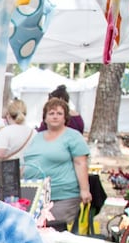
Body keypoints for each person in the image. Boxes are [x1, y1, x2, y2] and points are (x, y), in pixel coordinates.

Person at [23, 97, 92, 227]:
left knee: (48, 226)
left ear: (65, 117)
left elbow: (81, 163)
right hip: (34, 196)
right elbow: (26, 162)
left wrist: (84, 190)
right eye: (51, 113)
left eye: (59, 113)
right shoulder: (36, 137)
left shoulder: (73, 136)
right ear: (45, 118)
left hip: (63, 196)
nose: (55, 117)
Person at [0, 99, 35, 193]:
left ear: (8, 116)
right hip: (24, 179)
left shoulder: (6, 132)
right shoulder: (33, 133)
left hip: (1, 178)